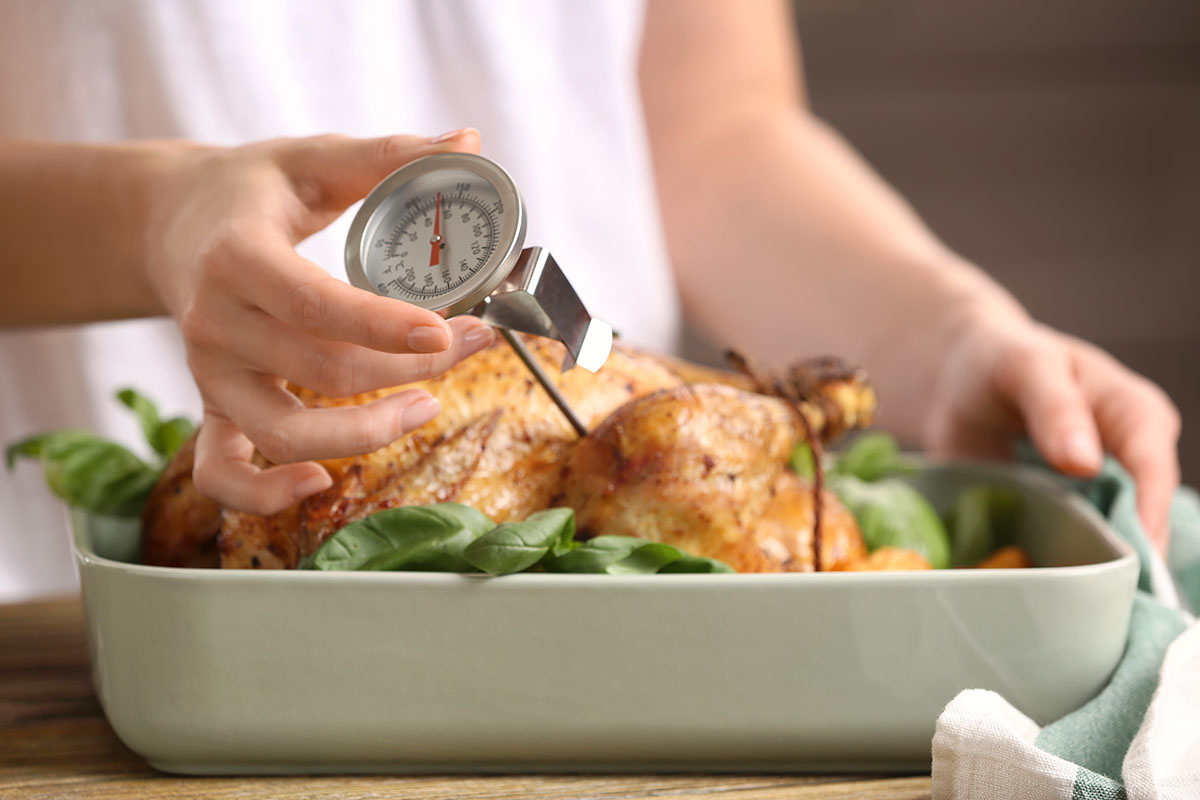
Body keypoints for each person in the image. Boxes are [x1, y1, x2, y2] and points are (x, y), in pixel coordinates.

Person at [0, 0, 1179, 599]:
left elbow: (714, 129)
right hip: (136, 603)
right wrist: (151, 219)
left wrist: (946, 328)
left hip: (621, 568)